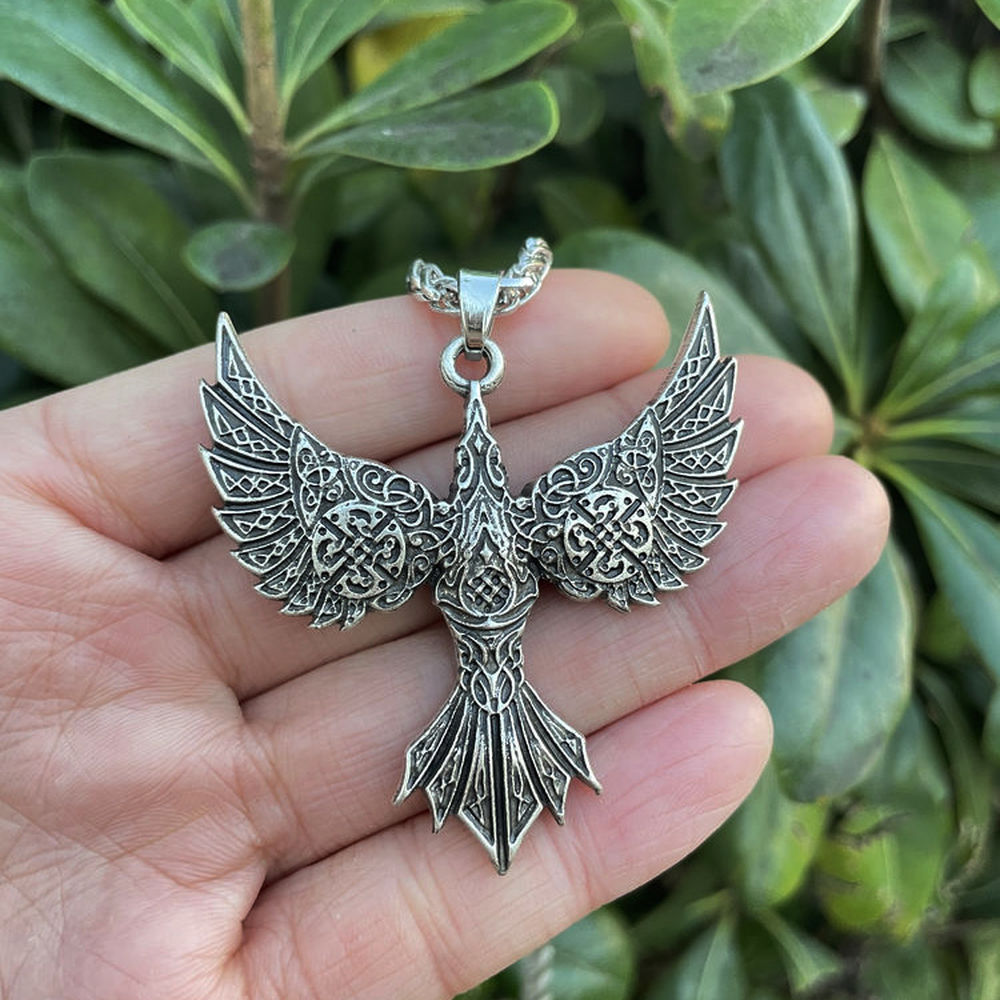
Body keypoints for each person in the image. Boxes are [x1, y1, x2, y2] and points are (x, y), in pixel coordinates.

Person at [0, 271, 888, 999]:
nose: (477, 461)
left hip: (489, 686)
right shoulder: (515, 516)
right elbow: (282, 479)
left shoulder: (476, 518)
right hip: (485, 687)